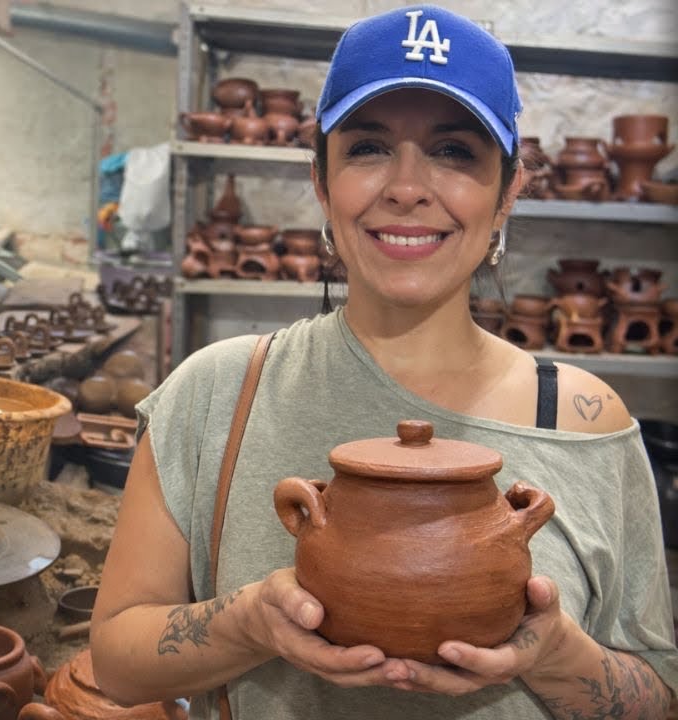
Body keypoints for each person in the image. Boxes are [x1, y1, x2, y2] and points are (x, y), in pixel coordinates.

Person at [91, 5, 678, 719]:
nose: (406, 187)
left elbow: (657, 698)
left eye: (455, 152)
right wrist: (247, 623)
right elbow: (116, 664)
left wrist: (556, 654)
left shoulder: (585, 421)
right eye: (368, 148)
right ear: (321, 182)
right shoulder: (215, 391)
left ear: (507, 193)